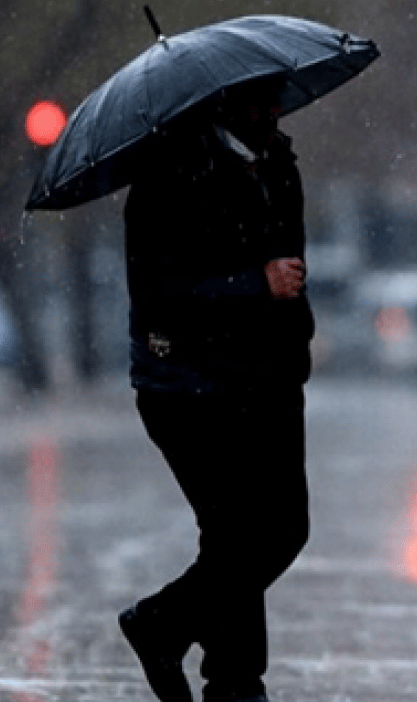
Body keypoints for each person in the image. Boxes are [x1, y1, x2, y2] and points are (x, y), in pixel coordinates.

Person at [118, 77, 313, 702]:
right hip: (190, 385)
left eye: (278, 97)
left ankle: (183, 641)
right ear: (224, 102)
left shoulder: (278, 160)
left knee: (281, 529)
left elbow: (290, 263)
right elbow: (159, 296)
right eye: (262, 100)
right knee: (240, 534)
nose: (276, 110)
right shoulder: (170, 173)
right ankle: (223, 673)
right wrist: (254, 286)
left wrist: (288, 329)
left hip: (270, 375)